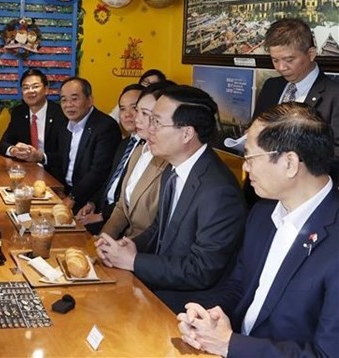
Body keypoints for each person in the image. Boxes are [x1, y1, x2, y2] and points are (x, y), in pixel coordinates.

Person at [177, 102, 339, 357]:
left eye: (250, 157)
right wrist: (207, 317)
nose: (245, 167)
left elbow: (326, 354)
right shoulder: (263, 213)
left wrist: (230, 344)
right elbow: (240, 285)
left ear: (290, 163)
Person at [96, 85, 247, 312]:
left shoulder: (218, 191)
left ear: (186, 133)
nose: (148, 128)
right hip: (161, 282)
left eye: (157, 122)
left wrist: (134, 261)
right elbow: (160, 228)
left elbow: (201, 269)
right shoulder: (173, 168)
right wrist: (128, 245)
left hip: (191, 305)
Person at [233, 18, 339, 206]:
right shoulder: (271, 86)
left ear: (311, 53)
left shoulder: (334, 94)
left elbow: (335, 154)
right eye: (275, 60)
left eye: (289, 60)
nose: (281, 67)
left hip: (306, 200)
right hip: (261, 197)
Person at [99, 83, 171, 240]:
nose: (136, 118)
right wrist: (103, 240)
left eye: (145, 113)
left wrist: (121, 250)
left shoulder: (169, 162)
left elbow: (156, 228)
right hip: (123, 242)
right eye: (138, 111)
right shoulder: (139, 150)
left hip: (141, 251)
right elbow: (122, 207)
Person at [75, 83, 145, 233]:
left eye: (134, 108)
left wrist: (102, 216)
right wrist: (92, 203)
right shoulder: (125, 143)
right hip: (104, 210)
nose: (127, 114)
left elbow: (132, 198)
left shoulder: (148, 149)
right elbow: (111, 180)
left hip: (123, 223)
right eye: (122, 109)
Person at [57, 77, 122, 213]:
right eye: (64, 99)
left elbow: (99, 171)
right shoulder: (64, 123)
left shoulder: (105, 127)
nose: (68, 105)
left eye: (74, 99)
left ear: (90, 100)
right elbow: (60, 159)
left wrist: (72, 197)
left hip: (89, 199)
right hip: (66, 192)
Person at [0, 69, 67, 178]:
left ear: (46, 89)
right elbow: (2, 145)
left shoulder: (60, 114)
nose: (30, 91)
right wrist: (14, 151)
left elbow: (65, 154)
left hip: (53, 175)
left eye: (35, 86)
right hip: (26, 173)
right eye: (26, 88)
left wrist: (41, 157)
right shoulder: (19, 113)